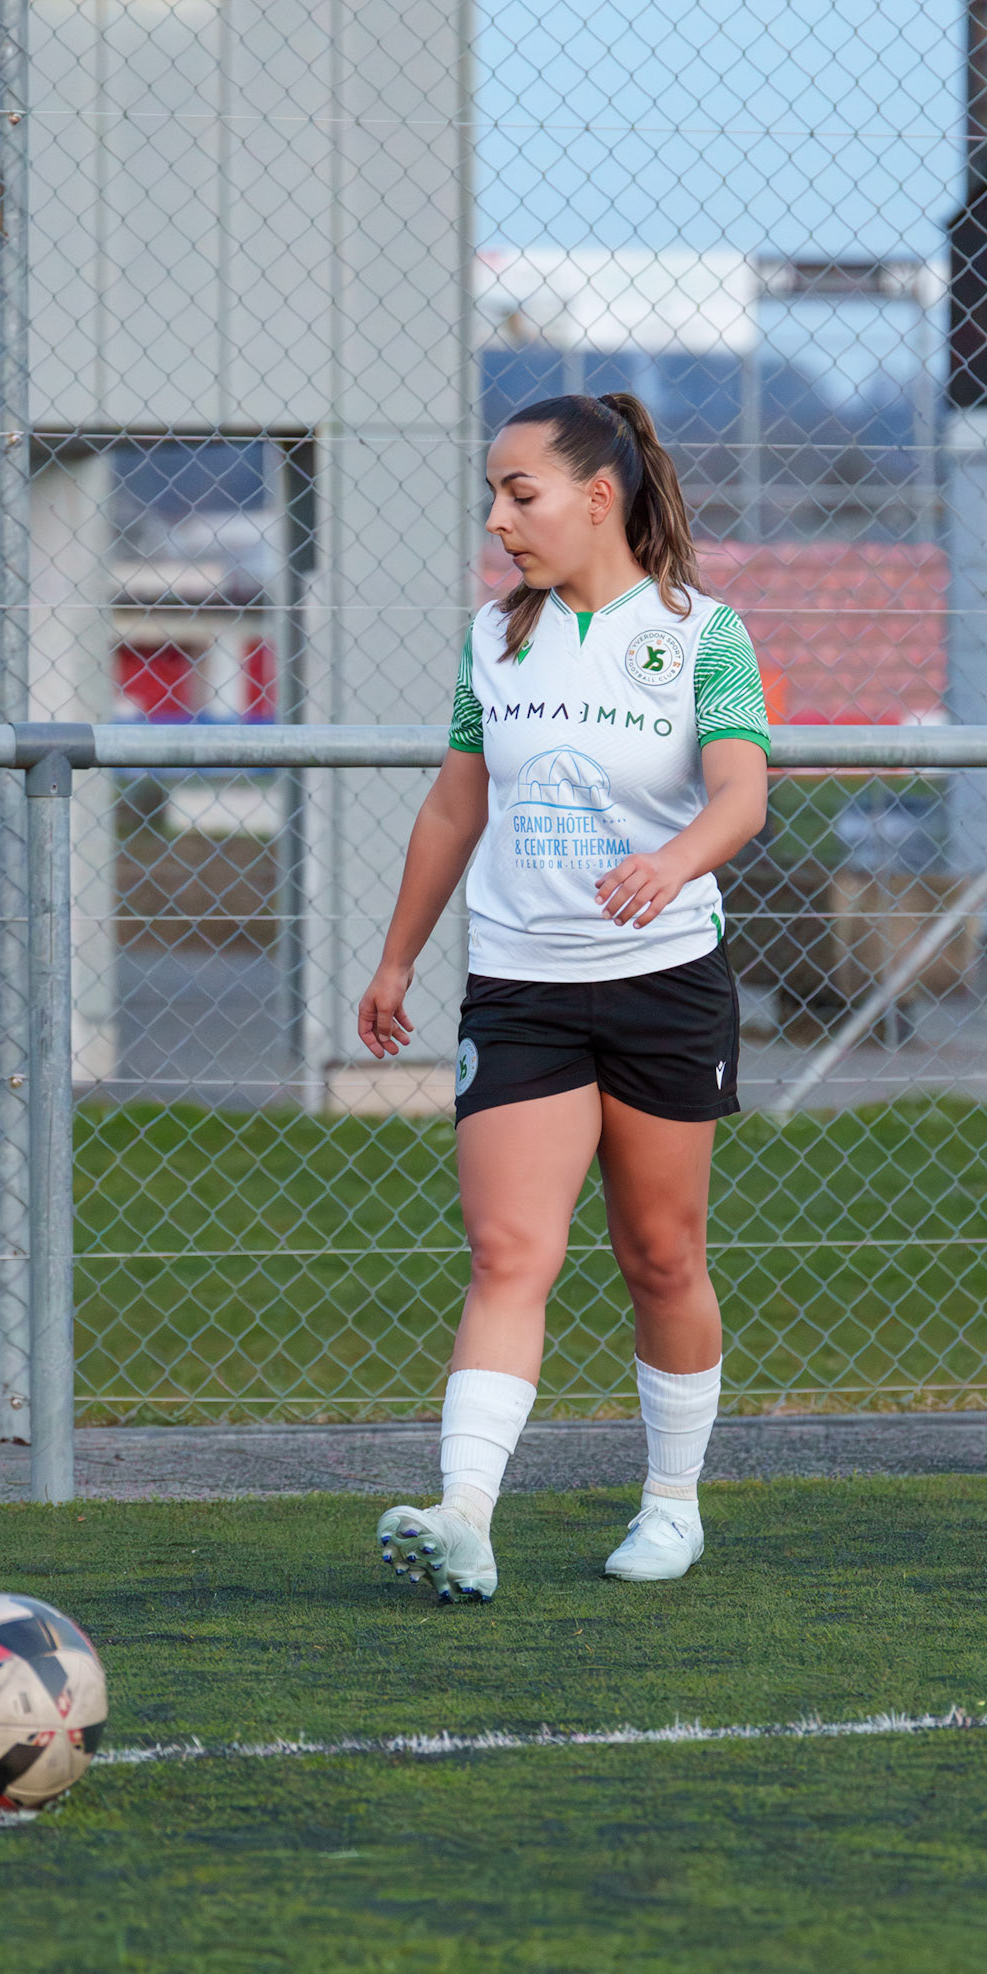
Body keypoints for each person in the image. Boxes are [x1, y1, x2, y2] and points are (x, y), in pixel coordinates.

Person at [357, 392, 770, 1595]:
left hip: (664, 986)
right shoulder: (497, 639)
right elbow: (453, 805)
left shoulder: (705, 633)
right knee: (509, 1250)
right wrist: (397, 960)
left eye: (519, 494)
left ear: (602, 497)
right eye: (492, 495)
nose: (498, 520)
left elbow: (740, 796)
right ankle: (466, 1515)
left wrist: (672, 858)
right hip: (521, 991)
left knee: (660, 1255)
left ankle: (673, 1504)